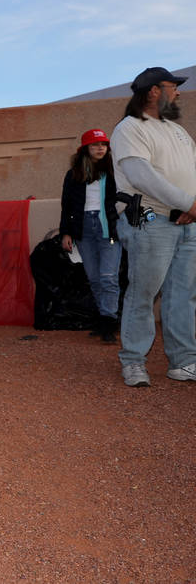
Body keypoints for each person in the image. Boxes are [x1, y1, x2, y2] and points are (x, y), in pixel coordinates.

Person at [110, 66, 196, 387]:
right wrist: (188, 203)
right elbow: (142, 176)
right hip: (150, 220)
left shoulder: (177, 131)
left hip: (186, 222)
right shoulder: (130, 128)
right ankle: (133, 361)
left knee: (183, 294)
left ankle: (184, 361)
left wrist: (191, 206)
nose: (178, 92)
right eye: (173, 87)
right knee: (143, 292)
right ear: (154, 91)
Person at [59, 128, 122, 343]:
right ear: (85, 149)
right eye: (95, 145)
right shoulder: (74, 174)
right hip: (83, 228)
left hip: (108, 229)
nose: (100, 148)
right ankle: (102, 319)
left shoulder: (115, 171)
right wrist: (65, 232)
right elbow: (66, 205)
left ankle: (109, 323)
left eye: (103, 145)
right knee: (94, 278)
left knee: (108, 278)